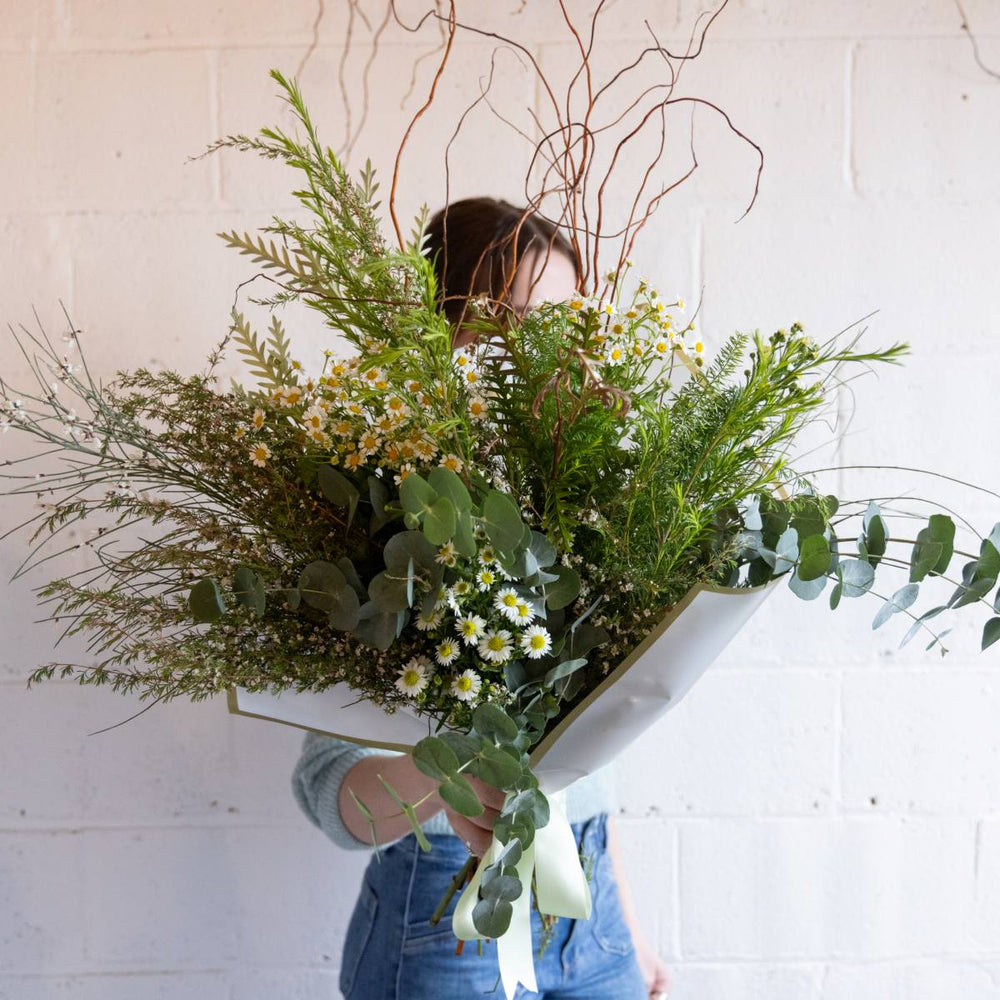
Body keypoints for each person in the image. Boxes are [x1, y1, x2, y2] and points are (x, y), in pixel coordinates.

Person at [291, 197, 671, 1000]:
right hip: (441, 916)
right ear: (443, 329)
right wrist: (458, 767)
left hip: (591, 906)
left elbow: (588, 764)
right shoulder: (374, 516)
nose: (542, 355)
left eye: (565, 326)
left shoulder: (586, 510)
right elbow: (333, 797)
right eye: (512, 323)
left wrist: (628, 928)